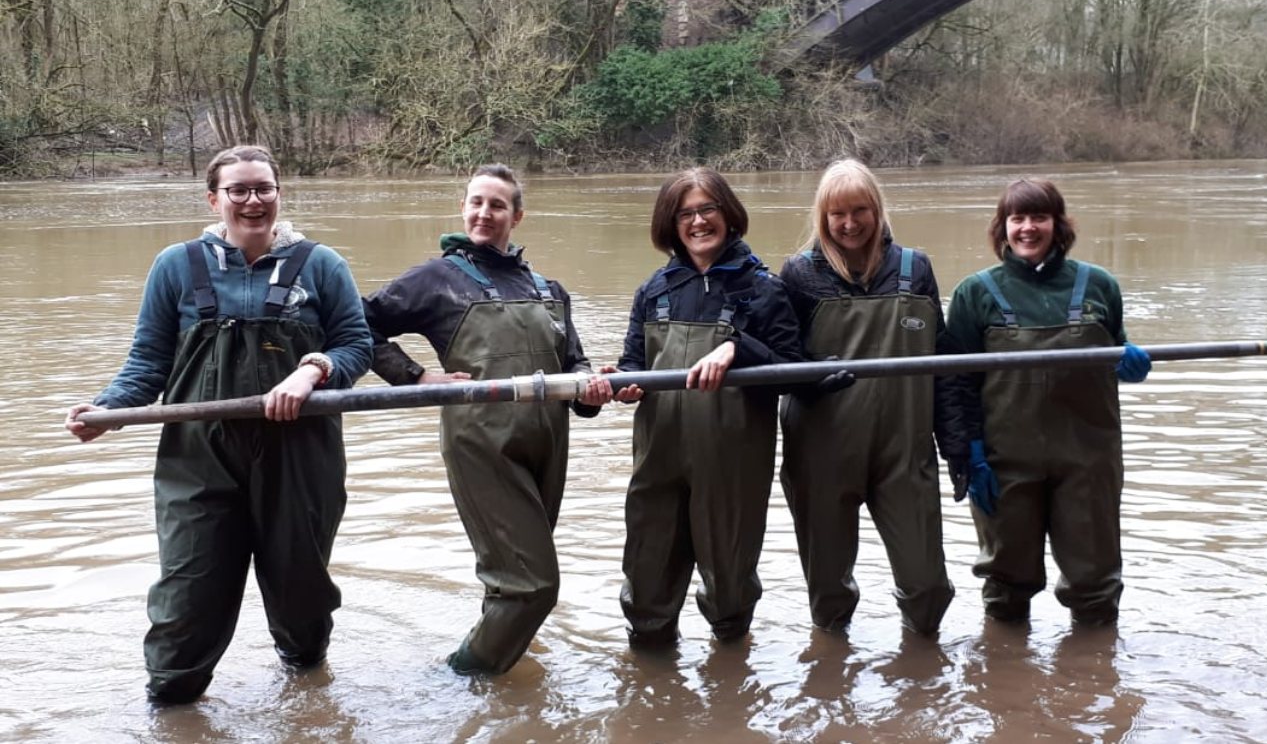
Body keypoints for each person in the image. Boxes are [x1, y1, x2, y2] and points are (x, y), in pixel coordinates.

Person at [64, 145, 372, 705]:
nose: (253, 201)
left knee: (302, 594)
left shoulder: (323, 264)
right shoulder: (175, 266)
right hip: (197, 458)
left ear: (279, 195)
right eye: (239, 190)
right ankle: (173, 702)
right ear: (215, 199)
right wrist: (105, 410)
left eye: (264, 189)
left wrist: (312, 370)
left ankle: (307, 692)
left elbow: (356, 344)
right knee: (189, 594)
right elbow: (147, 362)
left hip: (300, 454)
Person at [361, 163, 612, 675]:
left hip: (547, 446)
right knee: (532, 585)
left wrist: (594, 387)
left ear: (516, 217)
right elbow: (357, 324)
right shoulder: (437, 279)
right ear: (463, 208)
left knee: (510, 577)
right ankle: (459, 677)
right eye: (476, 201)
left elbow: (574, 366)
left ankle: (497, 703)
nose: (484, 212)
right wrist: (414, 378)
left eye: (497, 205)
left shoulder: (548, 288)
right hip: (482, 447)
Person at [940, 178, 1152, 627]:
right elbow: (955, 383)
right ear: (1003, 227)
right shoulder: (973, 293)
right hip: (1004, 462)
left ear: (1059, 224)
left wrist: (1127, 362)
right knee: (1006, 584)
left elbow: (1116, 347)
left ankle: (1094, 682)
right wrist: (968, 453)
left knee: (1094, 584)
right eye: (1018, 218)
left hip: (1088, 461)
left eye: (1040, 217)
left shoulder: (1100, 285)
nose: (1028, 228)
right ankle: (1006, 682)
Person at [606, 167, 803, 648]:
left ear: (728, 214)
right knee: (648, 579)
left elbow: (797, 372)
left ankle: (730, 679)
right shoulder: (654, 291)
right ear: (670, 224)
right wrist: (624, 384)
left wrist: (739, 348)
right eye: (685, 213)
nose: (697, 222)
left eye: (707, 209)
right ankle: (652, 681)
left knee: (730, 585)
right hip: (659, 461)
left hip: (732, 465)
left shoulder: (764, 289)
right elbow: (634, 364)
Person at [777, 159, 957, 636]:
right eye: (838, 214)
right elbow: (777, 360)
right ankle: (833, 678)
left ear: (878, 211)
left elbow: (943, 367)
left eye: (860, 210)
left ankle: (923, 677)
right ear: (822, 217)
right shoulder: (797, 274)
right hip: (821, 455)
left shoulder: (916, 269)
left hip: (905, 454)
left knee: (927, 587)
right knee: (828, 595)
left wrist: (960, 448)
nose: (850, 224)